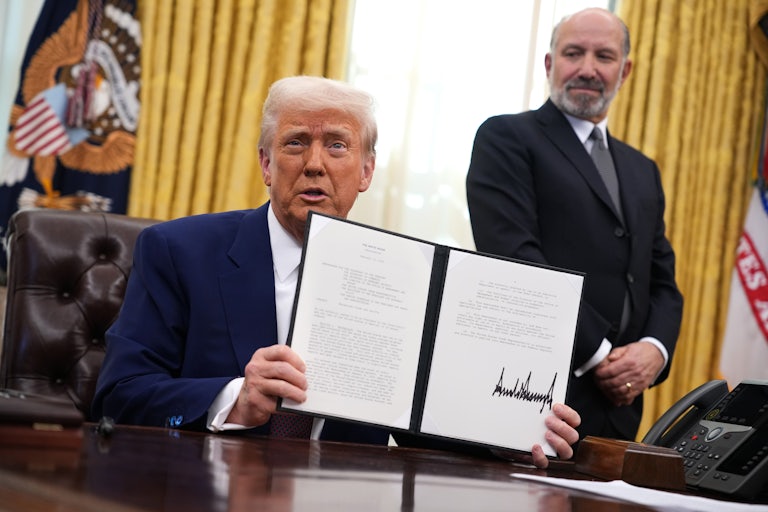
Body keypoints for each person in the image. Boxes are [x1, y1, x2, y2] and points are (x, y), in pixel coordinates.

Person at [92, 75, 580, 468]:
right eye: (295, 143)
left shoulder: (408, 278)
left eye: (338, 146)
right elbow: (118, 394)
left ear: (367, 171)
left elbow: (420, 418)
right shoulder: (178, 251)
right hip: (206, 488)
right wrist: (234, 398)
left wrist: (504, 437)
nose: (314, 165)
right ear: (266, 163)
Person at [465, 8, 683, 441]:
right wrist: (600, 354)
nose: (587, 69)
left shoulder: (643, 170)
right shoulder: (506, 138)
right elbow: (515, 260)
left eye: (603, 56)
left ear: (625, 70)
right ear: (549, 64)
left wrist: (652, 351)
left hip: (620, 410)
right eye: (573, 53)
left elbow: (661, 280)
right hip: (534, 397)